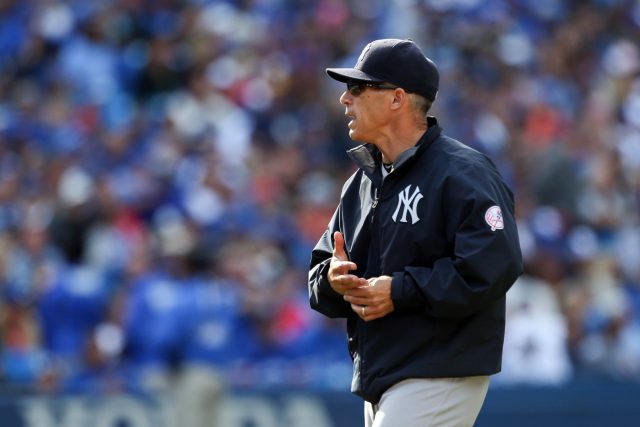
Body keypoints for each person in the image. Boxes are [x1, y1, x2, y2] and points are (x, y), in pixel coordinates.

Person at [308, 38, 523, 427]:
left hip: (441, 369)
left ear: (397, 99)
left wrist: (399, 289)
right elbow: (320, 271)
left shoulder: (463, 173)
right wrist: (333, 280)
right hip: (382, 375)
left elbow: (492, 266)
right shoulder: (361, 184)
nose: (345, 99)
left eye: (357, 88)